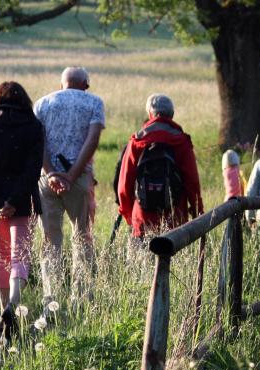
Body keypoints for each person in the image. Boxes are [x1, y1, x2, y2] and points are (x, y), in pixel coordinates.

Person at [34, 67, 105, 312]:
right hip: (79, 179)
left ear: (62, 83)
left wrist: (51, 173)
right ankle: (80, 300)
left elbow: (37, 142)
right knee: (82, 237)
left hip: (46, 180)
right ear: (86, 84)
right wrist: (72, 176)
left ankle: (50, 300)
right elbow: (93, 140)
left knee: (50, 241)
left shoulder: (42, 103)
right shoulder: (94, 102)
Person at [0, 81, 44, 339]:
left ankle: (3, 310)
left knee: (2, 255)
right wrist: (15, 199)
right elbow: (33, 171)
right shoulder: (33, 126)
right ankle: (12, 305)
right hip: (23, 201)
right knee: (20, 256)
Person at [117, 94, 203, 238]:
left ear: (150, 114)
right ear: (172, 115)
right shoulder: (181, 141)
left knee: (141, 260)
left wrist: (129, 216)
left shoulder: (137, 141)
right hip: (175, 221)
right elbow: (192, 182)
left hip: (143, 220)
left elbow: (124, 184)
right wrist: (197, 212)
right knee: (175, 260)